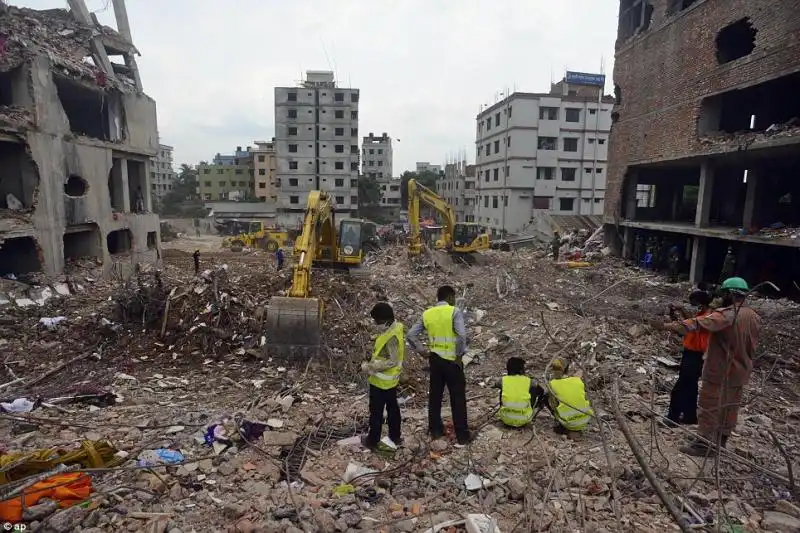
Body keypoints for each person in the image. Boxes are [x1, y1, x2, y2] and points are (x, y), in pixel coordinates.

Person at [651, 277, 761, 456]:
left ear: (730, 294)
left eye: (724, 294)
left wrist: (666, 326)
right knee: (729, 407)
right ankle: (720, 441)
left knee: (709, 405)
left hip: (720, 370)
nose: (720, 297)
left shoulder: (727, 315)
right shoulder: (753, 316)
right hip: (740, 371)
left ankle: (704, 445)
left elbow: (697, 324)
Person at [407, 285, 471, 446]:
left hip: (435, 360)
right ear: (450, 297)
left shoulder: (427, 314)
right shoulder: (454, 311)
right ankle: (462, 436)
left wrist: (422, 351)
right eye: (454, 298)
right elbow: (461, 336)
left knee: (435, 396)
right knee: (457, 398)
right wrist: (458, 355)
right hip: (451, 361)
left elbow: (411, 335)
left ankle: (435, 430)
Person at [658, 290, 713, 425]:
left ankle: (673, 417)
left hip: (695, 355)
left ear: (700, 303)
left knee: (681, 387)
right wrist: (681, 310)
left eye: (694, 303)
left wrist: (661, 325)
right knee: (690, 386)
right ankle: (690, 416)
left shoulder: (707, 317)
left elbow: (687, 325)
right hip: (693, 354)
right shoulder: (704, 314)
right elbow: (692, 320)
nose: (693, 306)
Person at [360, 302, 405, 450]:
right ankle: (395, 436)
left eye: (377, 321)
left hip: (381, 382)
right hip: (390, 381)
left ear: (385, 320)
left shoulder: (391, 337)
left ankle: (373, 440)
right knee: (393, 409)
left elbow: (391, 361)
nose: (375, 323)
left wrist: (370, 367)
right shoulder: (394, 328)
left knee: (376, 412)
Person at [545, 359, 593, 435]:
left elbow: (553, 405)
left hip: (569, 423)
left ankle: (561, 424)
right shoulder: (578, 381)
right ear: (567, 370)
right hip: (585, 420)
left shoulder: (552, 384)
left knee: (546, 397)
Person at [492, 357, 543, 427]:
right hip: (524, 419)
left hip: (505, 418)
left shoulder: (502, 380)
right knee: (533, 390)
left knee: (502, 390)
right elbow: (541, 391)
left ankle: (505, 410)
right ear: (521, 370)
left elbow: (495, 385)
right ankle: (530, 411)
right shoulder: (529, 381)